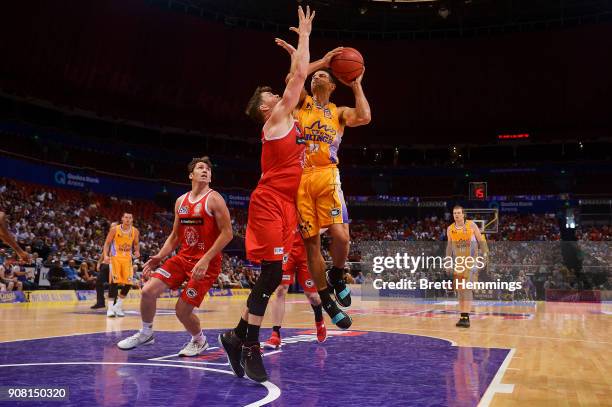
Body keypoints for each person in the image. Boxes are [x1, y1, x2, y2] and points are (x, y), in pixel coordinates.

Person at [218, 6, 315, 383]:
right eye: (273, 95)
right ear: (265, 107)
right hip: (269, 202)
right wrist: (304, 37)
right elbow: (297, 81)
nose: (281, 94)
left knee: (274, 277)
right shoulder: (275, 120)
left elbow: (296, 78)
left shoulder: (285, 119)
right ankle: (250, 347)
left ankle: (235, 336)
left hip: (286, 204)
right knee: (272, 273)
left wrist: (295, 60)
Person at [275, 35, 371, 327]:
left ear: (332, 86)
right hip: (301, 180)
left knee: (341, 237)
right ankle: (327, 299)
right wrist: (324, 61)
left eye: (324, 75)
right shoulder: (301, 103)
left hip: (328, 176)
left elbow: (365, 116)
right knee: (311, 244)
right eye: (315, 74)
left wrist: (355, 84)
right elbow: (295, 76)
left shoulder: (338, 113)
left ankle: (337, 273)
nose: (318, 75)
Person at [117, 157, 233, 357]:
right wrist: (159, 257)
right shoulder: (181, 201)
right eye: (200, 168)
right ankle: (146, 333)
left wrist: (205, 260)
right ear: (191, 175)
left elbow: (227, 233)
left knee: (182, 311)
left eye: (208, 169)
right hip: (182, 258)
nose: (205, 171)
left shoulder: (214, 199)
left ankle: (199, 340)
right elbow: (175, 235)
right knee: (147, 291)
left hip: (206, 263)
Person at [264, 229, 326, 349]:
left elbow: (328, 222)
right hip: (287, 249)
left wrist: (313, 231)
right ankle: (275, 334)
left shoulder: (312, 209)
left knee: (313, 296)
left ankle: (319, 320)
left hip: (307, 250)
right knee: (281, 289)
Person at [446, 205, 488, 328]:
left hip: (471, 261)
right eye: (454, 213)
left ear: (463, 214)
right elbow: (449, 247)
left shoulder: (471, 225)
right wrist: (448, 260)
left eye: (459, 213)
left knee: (467, 289)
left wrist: (484, 255)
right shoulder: (450, 229)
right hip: (458, 262)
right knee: (460, 291)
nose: (456, 215)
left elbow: (481, 241)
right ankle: (462, 316)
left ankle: (466, 317)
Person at [104, 214, 140, 317]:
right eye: (126, 217)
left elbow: (136, 244)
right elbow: (107, 243)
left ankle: (118, 306)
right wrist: (106, 256)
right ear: (122, 219)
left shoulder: (135, 231)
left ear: (132, 219)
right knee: (114, 283)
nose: (128, 219)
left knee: (129, 283)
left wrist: (137, 251)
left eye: (130, 218)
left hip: (127, 259)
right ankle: (110, 309)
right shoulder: (115, 230)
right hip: (115, 258)